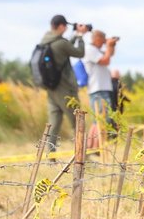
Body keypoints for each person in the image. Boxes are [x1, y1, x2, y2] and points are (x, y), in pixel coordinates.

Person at [40, 15, 88, 151]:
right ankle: (82, 154)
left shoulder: (46, 40)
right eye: (65, 26)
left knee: (54, 123)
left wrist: (75, 35)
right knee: (78, 121)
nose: (67, 28)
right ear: (61, 26)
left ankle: (50, 155)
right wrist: (80, 36)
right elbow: (79, 53)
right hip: (65, 90)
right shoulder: (61, 43)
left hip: (52, 88)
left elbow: (65, 48)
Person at [83, 30, 119, 146]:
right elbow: (105, 60)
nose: (104, 42)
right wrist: (108, 45)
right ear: (97, 38)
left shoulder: (96, 50)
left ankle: (96, 147)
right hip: (97, 89)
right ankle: (91, 146)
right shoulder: (90, 49)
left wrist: (111, 46)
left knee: (104, 119)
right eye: (103, 39)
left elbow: (109, 54)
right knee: (99, 120)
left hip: (103, 88)